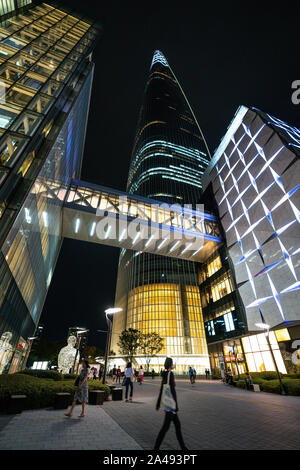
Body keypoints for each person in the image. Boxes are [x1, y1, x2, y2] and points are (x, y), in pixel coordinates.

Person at [154, 357, 187, 451]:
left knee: (176, 426)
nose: (173, 365)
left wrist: (158, 403)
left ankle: (183, 447)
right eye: (172, 363)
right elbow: (172, 391)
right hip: (171, 406)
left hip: (167, 404)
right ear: (170, 365)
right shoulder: (170, 374)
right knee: (165, 428)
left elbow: (162, 389)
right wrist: (175, 406)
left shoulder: (164, 375)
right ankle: (156, 447)